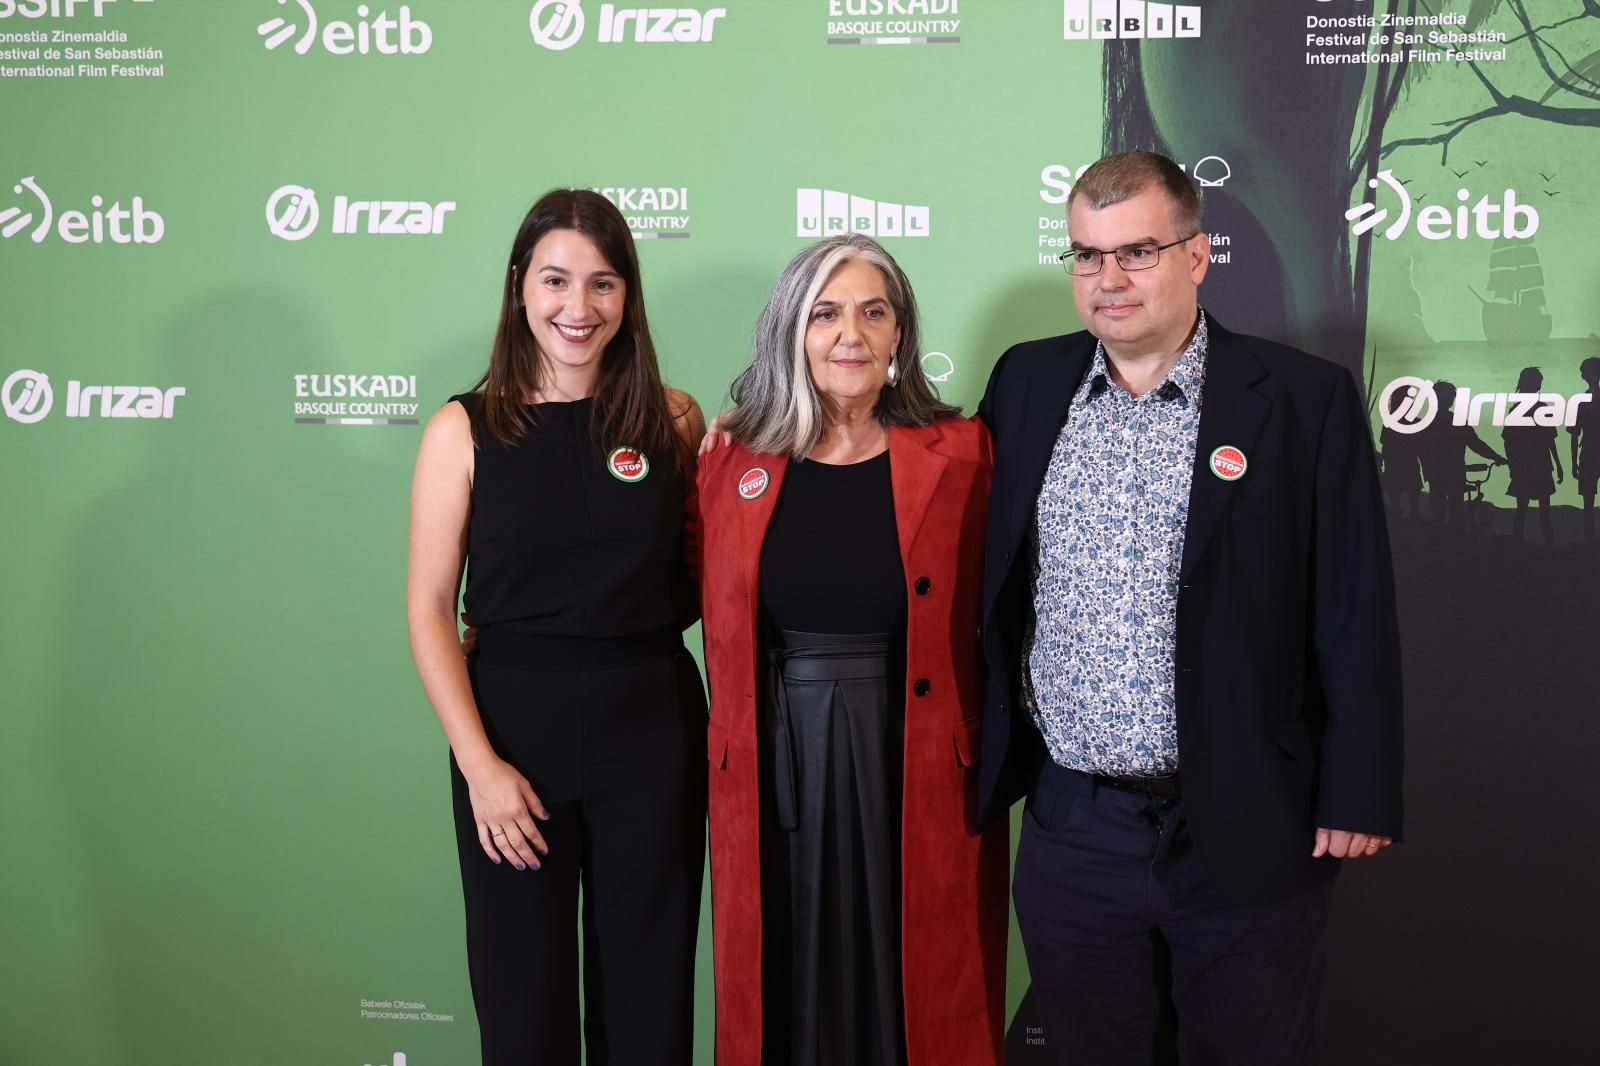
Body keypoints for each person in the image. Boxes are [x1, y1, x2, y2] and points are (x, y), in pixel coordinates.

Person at [975, 150, 1404, 1066]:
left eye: (1137, 251)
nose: (1110, 279)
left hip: (1248, 820)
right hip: (1074, 828)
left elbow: (1355, 606)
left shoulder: (1299, 399)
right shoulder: (1027, 384)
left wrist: (1359, 785)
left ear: (1198, 255)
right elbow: (920, 465)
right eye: (1088, 256)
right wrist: (776, 418)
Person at [406, 189, 707, 1066]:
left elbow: (708, 575)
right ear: (518, 288)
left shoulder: (675, 420)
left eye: (603, 283)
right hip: (510, 740)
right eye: (556, 281)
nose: (579, 308)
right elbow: (429, 608)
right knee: (522, 1011)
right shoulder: (461, 430)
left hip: (652, 731)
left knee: (649, 1011)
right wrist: (480, 767)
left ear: (628, 296)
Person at [697, 234, 1007, 1066]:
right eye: (826, 313)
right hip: (774, 758)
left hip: (915, 758)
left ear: (901, 334)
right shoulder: (730, 461)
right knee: (785, 977)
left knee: (918, 991)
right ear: (791, 331)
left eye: (875, 312)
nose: (851, 334)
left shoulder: (967, 450)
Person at [1416, 380, 1505, 526]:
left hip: (1440, 473)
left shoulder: (1428, 422)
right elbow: (1475, 444)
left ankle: (1444, 542)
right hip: (1451, 472)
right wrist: (1496, 457)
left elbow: (1421, 450)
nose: (1450, 400)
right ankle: (1456, 542)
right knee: (1454, 512)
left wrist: (1427, 470)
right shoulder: (1453, 421)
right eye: (1448, 397)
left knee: (1441, 512)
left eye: (1451, 397)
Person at [1503, 366, 1564, 545]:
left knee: (1526, 510)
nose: (1538, 386)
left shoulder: (1518, 409)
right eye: (1537, 382)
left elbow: (1509, 442)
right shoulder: (1524, 409)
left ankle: (1526, 547)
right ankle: (1543, 547)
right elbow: (1549, 439)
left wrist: (1558, 464)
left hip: (1532, 466)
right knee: (1536, 510)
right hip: (1533, 466)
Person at [1571, 356, 1600, 542]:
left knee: (1588, 503)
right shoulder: (1581, 402)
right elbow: (1574, 434)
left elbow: (1574, 435)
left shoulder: (1581, 402)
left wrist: (1573, 462)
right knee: (1588, 503)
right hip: (1589, 453)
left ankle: (1590, 542)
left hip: (1589, 453)